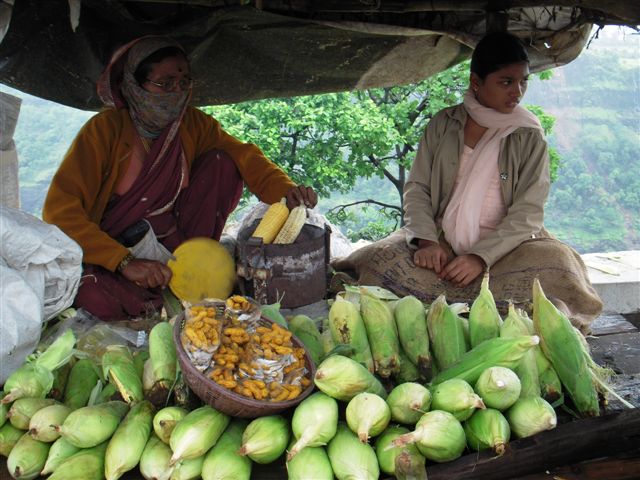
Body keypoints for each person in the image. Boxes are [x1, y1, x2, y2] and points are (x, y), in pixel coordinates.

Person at [332, 31, 602, 333]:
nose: (517, 91)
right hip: (443, 239)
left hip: (508, 249)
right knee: (379, 259)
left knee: (559, 265)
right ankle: (472, 301)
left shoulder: (528, 135)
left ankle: (456, 299)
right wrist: (427, 242)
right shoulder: (443, 124)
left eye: (523, 81)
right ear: (476, 82)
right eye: (506, 82)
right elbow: (418, 189)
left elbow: (528, 213)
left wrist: (479, 257)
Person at [43, 36, 317, 320]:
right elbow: (60, 213)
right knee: (93, 297)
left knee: (222, 162)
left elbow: (245, 156)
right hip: (116, 252)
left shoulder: (193, 125)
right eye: (165, 83)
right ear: (133, 84)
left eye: (184, 82)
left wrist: (286, 191)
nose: (177, 92)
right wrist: (123, 262)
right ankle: (153, 297)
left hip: (179, 243)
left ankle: (195, 276)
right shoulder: (103, 131)